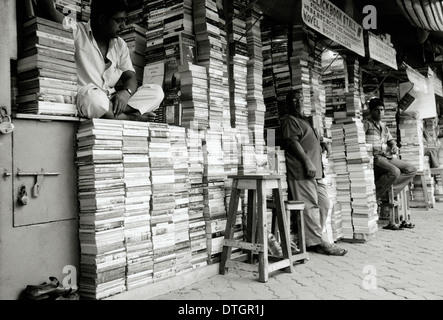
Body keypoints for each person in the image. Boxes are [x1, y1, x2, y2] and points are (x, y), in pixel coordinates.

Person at [35, 0, 164, 121]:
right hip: (88, 98)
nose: (123, 26)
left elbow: (130, 77)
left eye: (124, 20)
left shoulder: (120, 45)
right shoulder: (77, 31)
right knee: (94, 99)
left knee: (157, 92)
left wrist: (126, 93)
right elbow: (49, 12)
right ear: (102, 19)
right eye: (118, 21)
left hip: (111, 99)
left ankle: (117, 112)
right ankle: (131, 117)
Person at [281, 90, 347, 256]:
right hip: (302, 170)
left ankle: (314, 239)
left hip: (316, 172)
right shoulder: (290, 120)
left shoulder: (305, 120)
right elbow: (292, 142)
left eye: (301, 99)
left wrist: (323, 143)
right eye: (294, 99)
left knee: (324, 204)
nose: (298, 102)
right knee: (309, 207)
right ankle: (318, 243)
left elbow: (312, 137)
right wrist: (307, 161)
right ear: (288, 103)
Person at [363, 97, 417, 230]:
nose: (380, 113)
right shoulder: (366, 124)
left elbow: (391, 140)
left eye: (382, 110)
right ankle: (376, 196)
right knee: (395, 171)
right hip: (375, 158)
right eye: (376, 110)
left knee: (411, 168)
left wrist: (393, 146)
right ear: (371, 111)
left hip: (386, 157)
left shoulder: (384, 126)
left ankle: (387, 192)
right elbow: (360, 143)